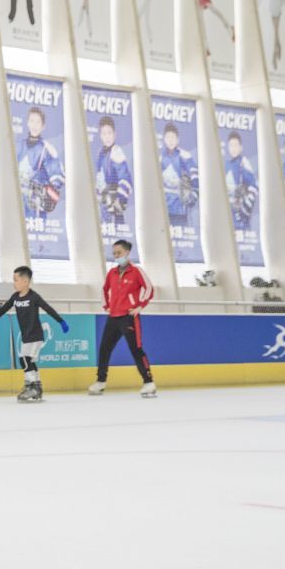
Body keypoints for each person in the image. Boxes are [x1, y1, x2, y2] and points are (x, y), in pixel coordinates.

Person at [0, 266, 69, 403]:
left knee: (25, 360)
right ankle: (36, 386)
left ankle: (33, 386)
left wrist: (61, 321)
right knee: (29, 361)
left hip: (35, 335)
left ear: (25, 281)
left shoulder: (33, 297)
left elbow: (48, 308)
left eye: (16, 280)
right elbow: (4, 309)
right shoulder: (15, 297)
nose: (14, 283)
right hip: (26, 337)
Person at [89, 240, 156, 397]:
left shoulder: (136, 271)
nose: (116, 256)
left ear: (126, 253)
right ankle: (100, 382)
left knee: (136, 349)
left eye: (118, 253)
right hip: (113, 317)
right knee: (104, 348)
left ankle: (149, 382)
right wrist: (107, 307)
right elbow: (105, 290)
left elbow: (149, 288)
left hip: (129, 317)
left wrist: (139, 306)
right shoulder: (112, 273)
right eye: (114, 253)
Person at [18, 106, 64, 220]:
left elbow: (58, 179)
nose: (34, 125)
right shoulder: (18, 145)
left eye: (38, 122)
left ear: (43, 126)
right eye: (32, 121)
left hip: (36, 204)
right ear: (27, 123)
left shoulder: (46, 148)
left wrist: (55, 157)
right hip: (17, 202)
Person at [95, 116, 133, 227]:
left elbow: (126, 178)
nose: (107, 137)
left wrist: (119, 200)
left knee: (117, 236)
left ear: (115, 134)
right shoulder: (101, 153)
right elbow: (99, 179)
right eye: (104, 134)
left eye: (109, 133)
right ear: (100, 136)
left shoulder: (117, 152)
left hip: (114, 203)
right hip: (104, 204)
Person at [159, 122, 198, 227]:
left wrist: (192, 197)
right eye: (168, 137)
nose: (171, 140)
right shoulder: (159, 157)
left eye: (173, 137)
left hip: (180, 211)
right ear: (164, 139)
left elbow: (195, 179)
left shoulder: (185, 156)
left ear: (178, 140)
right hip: (163, 211)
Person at [224, 131, 258, 230]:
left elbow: (254, 186)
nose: (233, 148)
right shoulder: (226, 165)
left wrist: (245, 208)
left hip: (241, 220)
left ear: (241, 147)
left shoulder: (243, 163)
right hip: (227, 217)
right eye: (231, 145)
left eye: (236, 145)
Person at [255, 0, 285, 69]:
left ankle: (274, 57)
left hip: (275, 6)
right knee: (276, 32)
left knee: (275, 32)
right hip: (274, 6)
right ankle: (278, 47)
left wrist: (281, 1)